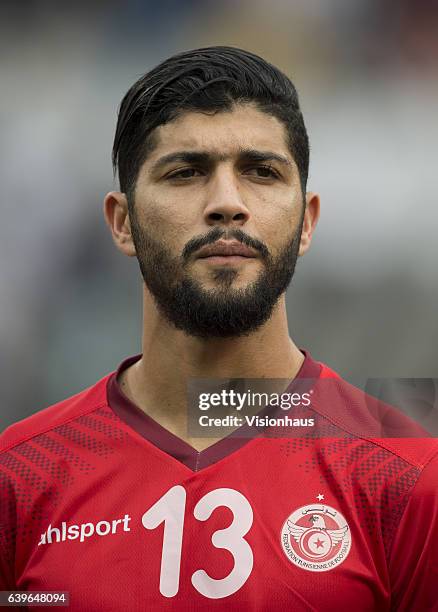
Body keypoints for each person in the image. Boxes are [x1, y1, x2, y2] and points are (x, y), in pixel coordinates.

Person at [1, 46, 437, 611]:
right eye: (185, 173)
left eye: (261, 172)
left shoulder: (407, 476)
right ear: (122, 222)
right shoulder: (19, 478)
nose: (227, 203)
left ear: (306, 222)